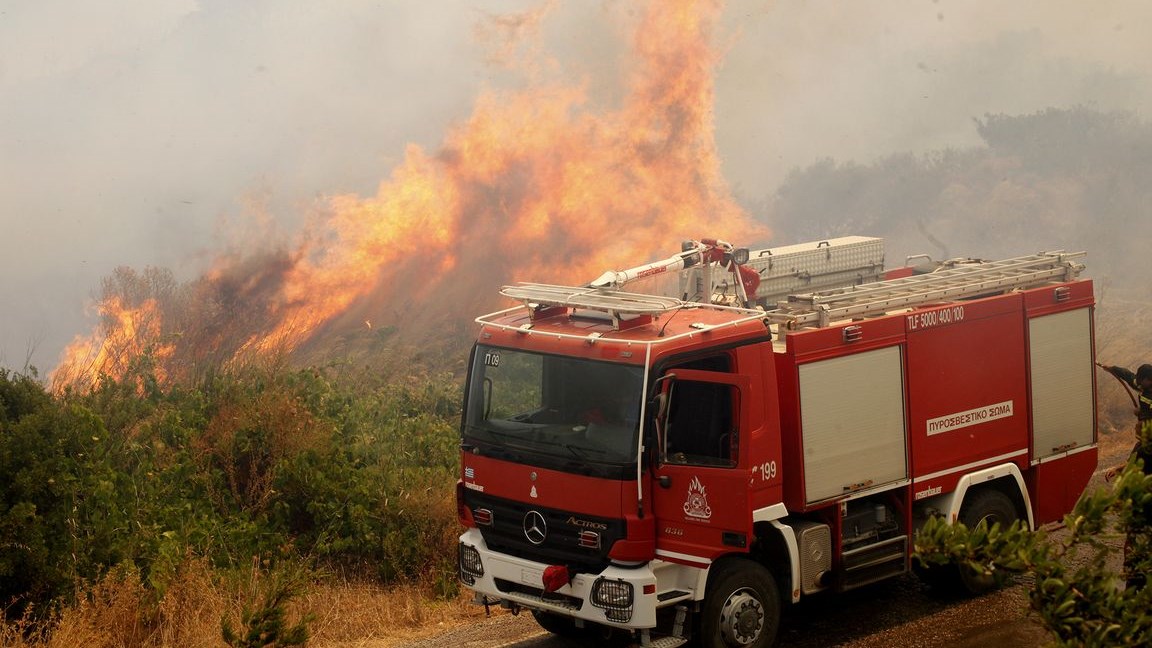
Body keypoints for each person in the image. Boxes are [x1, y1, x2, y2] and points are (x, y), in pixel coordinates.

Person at [1099, 363, 1152, 590]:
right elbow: (1128, 376)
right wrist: (1111, 368)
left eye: (1143, 382)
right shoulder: (1140, 383)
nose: (1139, 385)